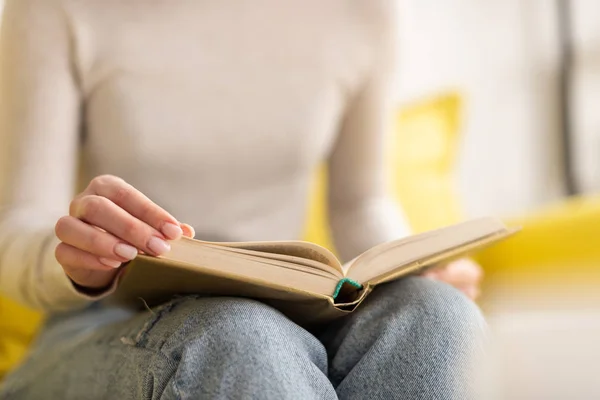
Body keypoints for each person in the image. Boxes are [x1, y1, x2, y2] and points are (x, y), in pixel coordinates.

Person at [0, 0, 484, 398]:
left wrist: (416, 264)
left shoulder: (364, 13)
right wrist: (82, 259)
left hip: (289, 310)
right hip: (105, 323)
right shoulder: (54, 8)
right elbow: (20, 227)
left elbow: (360, 204)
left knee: (437, 313)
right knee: (241, 334)